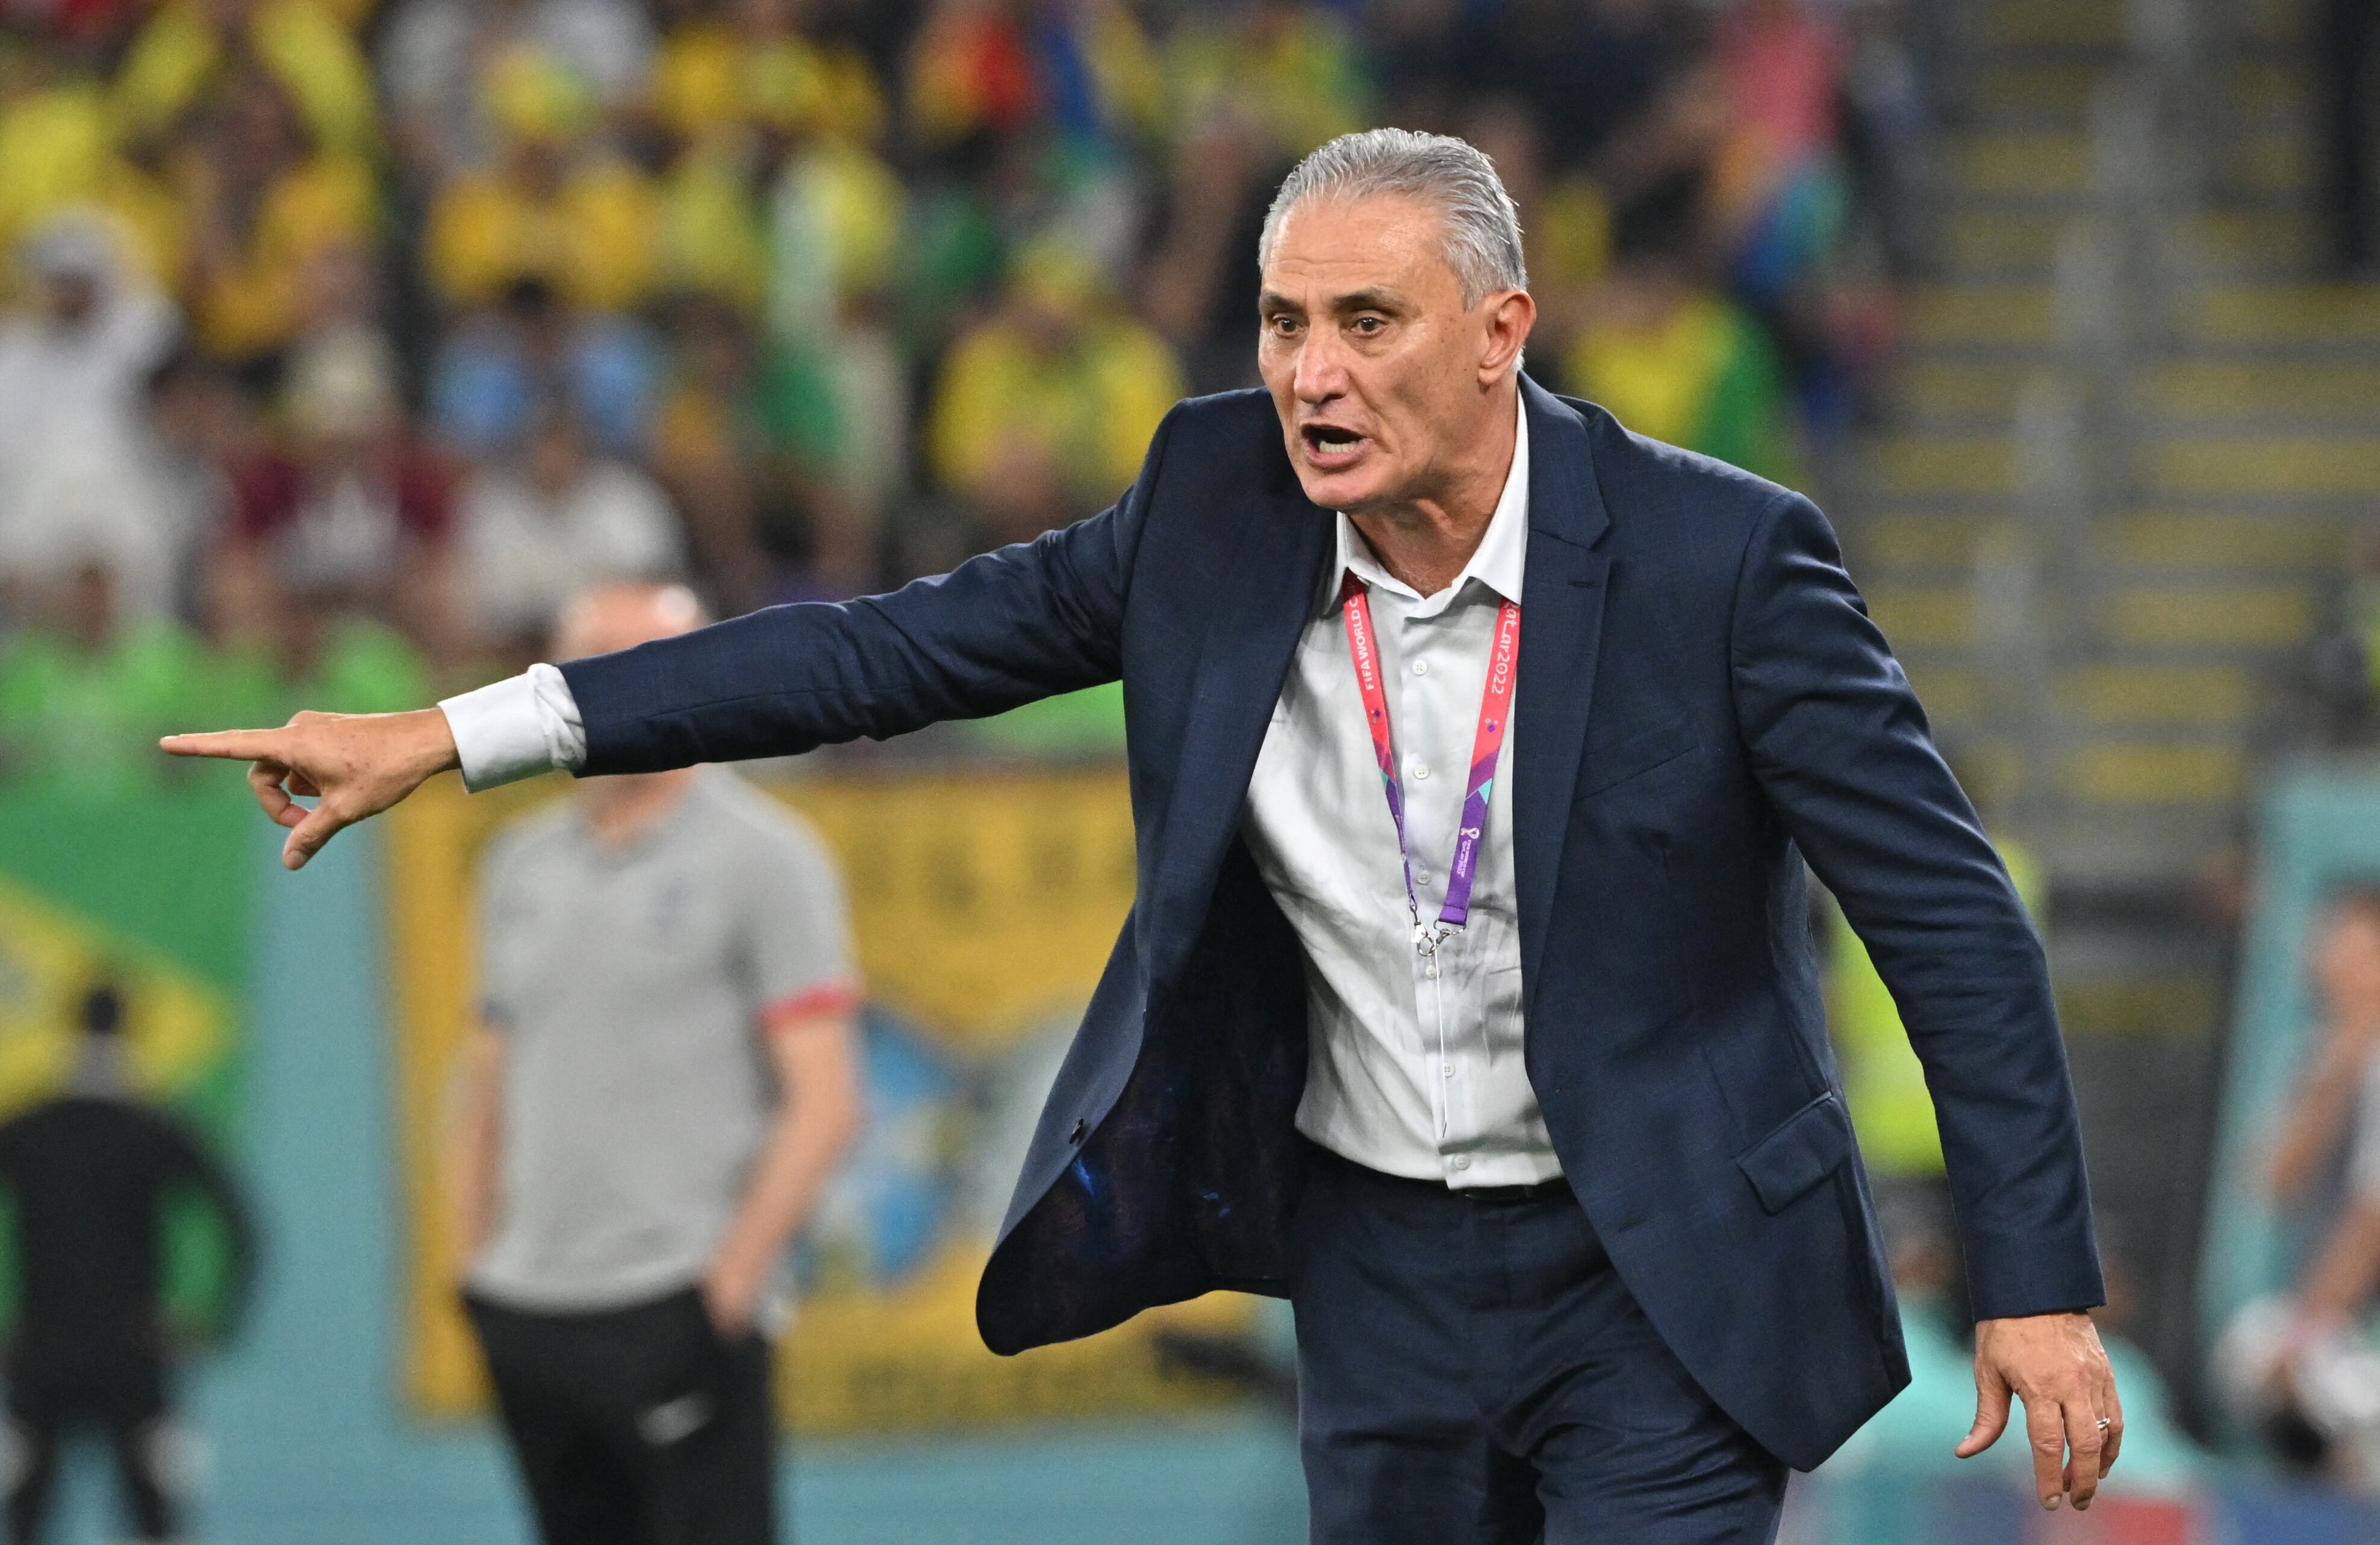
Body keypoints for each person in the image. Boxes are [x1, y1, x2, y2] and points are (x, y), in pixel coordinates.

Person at [167, 129, 2119, 1542]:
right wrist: (457, 727)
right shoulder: (1211, 502)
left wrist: (2034, 1279)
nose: (1311, 373)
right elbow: (880, 653)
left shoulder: (1728, 559)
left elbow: (1946, 916)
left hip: (1664, 1265)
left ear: (1503, 327)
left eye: (1368, 321)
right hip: (1379, 1263)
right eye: (1283, 322)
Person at [446, 582, 862, 1545]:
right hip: (531, 1306)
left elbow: (826, 1102)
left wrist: (725, 1289)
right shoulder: (517, 865)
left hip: (676, 1301)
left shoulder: (767, 856)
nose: (617, 692)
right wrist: (475, 1270)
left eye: (645, 663)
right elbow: (486, 1082)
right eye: (590, 664)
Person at [0, 982, 257, 1545]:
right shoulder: (154, 1129)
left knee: (24, 1524)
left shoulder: (28, 1130)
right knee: (154, 1526)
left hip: (42, 1352)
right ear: (130, 1031)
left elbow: (242, 1227)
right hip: (132, 1355)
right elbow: (243, 1226)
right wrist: (216, 1325)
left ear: (71, 1028)